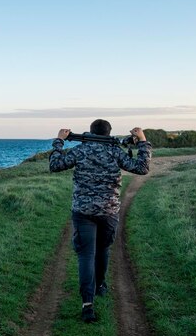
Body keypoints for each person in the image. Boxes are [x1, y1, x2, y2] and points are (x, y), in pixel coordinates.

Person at [49, 119, 151, 322]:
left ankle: (87, 305)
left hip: (83, 211)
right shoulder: (115, 152)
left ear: (90, 132)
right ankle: (100, 286)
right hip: (108, 211)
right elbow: (142, 168)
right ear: (108, 133)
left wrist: (59, 141)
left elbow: (55, 165)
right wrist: (142, 140)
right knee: (103, 250)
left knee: (86, 255)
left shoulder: (80, 150)